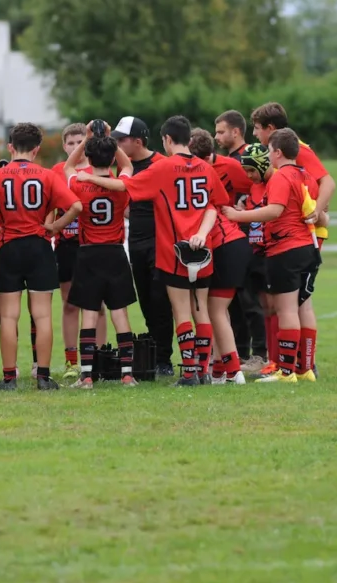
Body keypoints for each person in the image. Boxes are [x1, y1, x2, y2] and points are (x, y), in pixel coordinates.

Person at [79, 115, 228, 387]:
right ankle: (203, 370)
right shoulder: (206, 168)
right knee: (200, 310)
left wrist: (84, 178)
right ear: (190, 139)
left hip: (173, 250)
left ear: (168, 140)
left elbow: (123, 184)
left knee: (181, 312)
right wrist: (203, 234)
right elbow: (215, 206)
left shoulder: (164, 167)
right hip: (201, 248)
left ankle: (188, 373)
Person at [0, 122, 82, 391]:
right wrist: (55, 227)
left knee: (9, 316)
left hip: (8, 248)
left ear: (10, 147)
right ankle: (43, 376)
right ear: (37, 149)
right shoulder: (47, 175)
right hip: (39, 247)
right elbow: (76, 206)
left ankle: (9, 377)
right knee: (43, 316)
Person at [224, 128, 326, 383]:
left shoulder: (281, 177)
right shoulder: (307, 176)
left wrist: (238, 215)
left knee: (287, 309)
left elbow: (274, 211)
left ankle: (286, 371)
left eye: (269, 150)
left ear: (278, 152)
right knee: (305, 307)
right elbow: (318, 212)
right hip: (307, 247)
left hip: (286, 248)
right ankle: (305, 368)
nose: (268, 155)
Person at [251, 102, 336, 376]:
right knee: (293, 302)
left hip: (297, 238)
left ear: (271, 129)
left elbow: (329, 182)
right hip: (301, 237)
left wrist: (315, 212)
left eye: (256, 128)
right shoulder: (284, 159)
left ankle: (291, 366)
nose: (255, 134)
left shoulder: (297, 150)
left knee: (289, 303)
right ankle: (299, 365)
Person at [63, 125, 138, 388]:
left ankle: (86, 376)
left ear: (90, 158)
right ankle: (127, 373)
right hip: (115, 253)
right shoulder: (121, 185)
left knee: (90, 315)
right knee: (120, 314)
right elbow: (127, 165)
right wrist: (109, 140)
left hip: (88, 254)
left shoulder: (80, 184)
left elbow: (68, 168)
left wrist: (87, 139)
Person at [110, 116, 175, 375]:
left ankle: (164, 359)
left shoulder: (162, 164)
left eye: (121, 139)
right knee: (146, 300)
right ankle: (154, 354)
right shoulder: (124, 168)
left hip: (160, 242)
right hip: (135, 241)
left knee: (161, 300)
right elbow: (127, 202)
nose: (116, 144)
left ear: (137, 141)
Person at [188, 128, 252, 384]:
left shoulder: (202, 177)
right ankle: (219, 371)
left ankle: (234, 371)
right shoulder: (205, 178)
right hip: (234, 244)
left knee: (215, 311)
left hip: (228, 245)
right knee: (219, 312)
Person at [50, 123, 107, 380]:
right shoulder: (58, 171)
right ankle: (72, 360)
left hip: (95, 243)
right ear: (64, 146)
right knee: (71, 304)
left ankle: (100, 356)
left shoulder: (100, 169)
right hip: (68, 245)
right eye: (71, 143)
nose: (76, 147)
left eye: (80, 141)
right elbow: (50, 207)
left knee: (98, 305)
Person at [213, 110, 268, 372]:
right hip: (230, 236)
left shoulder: (251, 157)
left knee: (250, 298)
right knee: (233, 298)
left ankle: (260, 353)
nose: (217, 137)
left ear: (236, 132)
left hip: (249, 236)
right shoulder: (226, 160)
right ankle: (240, 353)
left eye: (221, 131)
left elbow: (264, 189)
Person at [233, 144, 274, 378]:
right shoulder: (254, 188)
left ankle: (271, 355)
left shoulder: (277, 182)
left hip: (271, 251)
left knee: (270, 307)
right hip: (252, 249)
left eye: (251, 170)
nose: (248, 176)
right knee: (249, 302)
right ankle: (258, 356)